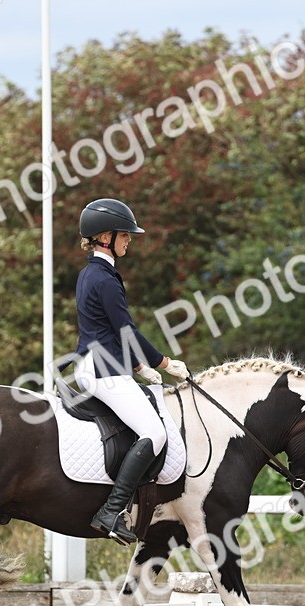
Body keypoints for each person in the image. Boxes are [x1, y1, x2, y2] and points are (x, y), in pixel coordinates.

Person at [72, 198, 190, 545]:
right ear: (106, 237)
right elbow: (126, 331)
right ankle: (111, 511)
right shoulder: (105, 279)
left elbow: (104, 329)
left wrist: (138, 366)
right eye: (125, 235)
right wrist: (164, 364)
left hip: (100, 364)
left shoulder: (91, 273)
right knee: (155, 433)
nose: (130, 240)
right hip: (104, 370)